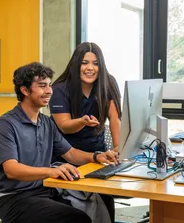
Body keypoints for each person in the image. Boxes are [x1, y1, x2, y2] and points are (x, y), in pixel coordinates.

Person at [0, 62, 118, 223]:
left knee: (102, 201)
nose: (49, 91)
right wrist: (51, 171)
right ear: (24, 90)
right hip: (14, 198)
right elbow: (11, 170)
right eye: (42, 86)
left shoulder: (46, 123)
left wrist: (96, 157)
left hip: (43, 192)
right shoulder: (6, 124)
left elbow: (71, 153)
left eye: (49, 85)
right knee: (76, 218)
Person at [49, 42, 122, 222]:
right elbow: (64, 125)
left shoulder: (108, 82)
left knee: (105, 197)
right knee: (81, 205)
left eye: (95, 63)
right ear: (76, 64)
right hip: (67, 157)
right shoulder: (59, 89)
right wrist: (81, 122)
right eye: (84, 63)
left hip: (98, 155)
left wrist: (119, 147)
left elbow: (115, 118)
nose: (90, 68)